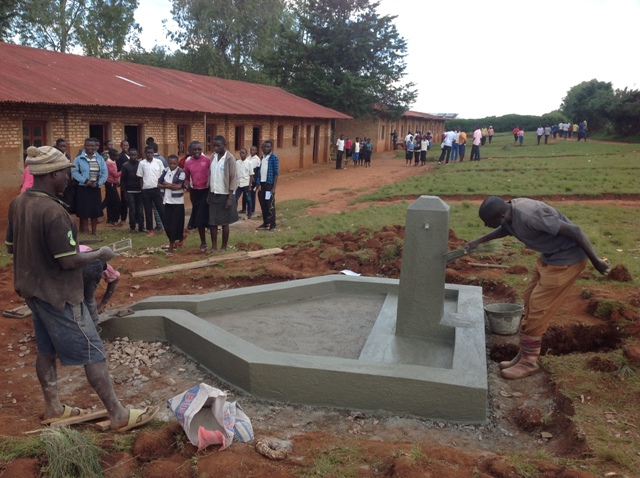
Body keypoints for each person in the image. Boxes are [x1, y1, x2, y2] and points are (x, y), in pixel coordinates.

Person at [6, 145, 158, 430]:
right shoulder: (53, 212)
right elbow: (68, 261)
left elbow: (11, 247)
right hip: (60, 295)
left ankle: (54, 408)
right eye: (65, 172)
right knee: (94, 351)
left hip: (32, 291)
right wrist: (100, 254)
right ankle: (118, 414)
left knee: (46, 351)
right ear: (52, 174)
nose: (69, 177)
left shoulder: (19, 203)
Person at [464, 196, 610, 380]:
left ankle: (529, 362)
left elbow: (575, 231)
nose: (486, 226)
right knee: (529, 300)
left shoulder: (530, 215)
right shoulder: (509, 214)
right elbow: (506, 229)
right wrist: (477, 242)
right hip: (549, 258)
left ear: (501, 215)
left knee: (539, 308)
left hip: (566, 261)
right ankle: (524, 354)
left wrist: (596, 261)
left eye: (488, 223)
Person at [208, 136, 238, 252]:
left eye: (218, 146)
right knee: (212, 222)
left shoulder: (230, 159)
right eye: (214, 145)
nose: (215, 148)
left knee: (225, 223)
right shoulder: (213, 157)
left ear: (224, 145)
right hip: (214, 194)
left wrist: (230, 197)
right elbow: (211, 176)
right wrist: (208, 193)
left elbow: (233, 178)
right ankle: (214, 246)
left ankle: (224, 247)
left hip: (225, 195)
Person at [72, 138, 108, 235]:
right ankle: (84, 230)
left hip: (95, 187)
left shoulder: (100, 158)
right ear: (85, 145)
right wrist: (85, 180)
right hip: (83, 187)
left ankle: (94, 230)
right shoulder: (79, 158)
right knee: (84, 209)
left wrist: (99, 183)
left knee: (95, 209)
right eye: (88, 145)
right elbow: (74, 171)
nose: (90, 148)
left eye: (92, 146)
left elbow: (105, 172)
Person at [79, 244, 120, 324]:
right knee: (89, 299)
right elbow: (115, 279)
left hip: (70, 265)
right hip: (93, 265)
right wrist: (103, 303)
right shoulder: (96, 258)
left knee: (72, 301)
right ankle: (94, 326)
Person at [183, 141, 212, 252]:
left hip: (206, 191)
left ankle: (210, 243)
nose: (197, 151)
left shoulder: (207, 160)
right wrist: (186, 184)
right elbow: (186, 177)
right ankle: (203, 243)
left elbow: (211, 175)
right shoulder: (188, 163)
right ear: (191, 150)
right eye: (194, 149)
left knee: (202, 217)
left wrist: (210, 192)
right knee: (199, 217)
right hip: (194, 192)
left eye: (199, 149)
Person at [158, 155, 186, 256]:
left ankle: (171, 246)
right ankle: (180, 237)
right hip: (166, 201)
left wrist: (166, 184)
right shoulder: (165, 171)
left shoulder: (181, 172)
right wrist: (170, 185)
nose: (172, 165)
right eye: (170, 163)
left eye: (174, 163)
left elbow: (178, 186)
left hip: (177, 202)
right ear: (167, 162)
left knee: (174, 225)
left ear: (177, 163)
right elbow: (158, 184)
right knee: (166, 224)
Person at [137, 145, 165, 236]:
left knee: (161, 208)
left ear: (154, 153)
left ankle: (166, 226)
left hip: (156, 189)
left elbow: (162, 175)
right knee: (148, 210)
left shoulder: (158, 162)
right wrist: (142, 189)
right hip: (146, 190)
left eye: (151, 153)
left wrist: (162, 188)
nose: (149, 154)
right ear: (145, 153)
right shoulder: (142, 163)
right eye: (147, 153)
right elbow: (140, 177)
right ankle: (150, 230)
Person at [256, 140, 279, 232]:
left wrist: (273, 187)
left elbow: (276, 174)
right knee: (263, 204)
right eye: (264, 147)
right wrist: (258, 184)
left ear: (271, 148)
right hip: (262, 185)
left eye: (268, 147)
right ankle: (265, 223)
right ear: (262, 148)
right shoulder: (262, 157)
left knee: (270, 205)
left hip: (269, 185)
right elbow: (260, 172)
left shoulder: (274, 158)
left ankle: (272, 224)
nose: (266, 148)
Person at [120, 148, 145, 233]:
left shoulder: (141, 164)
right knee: (132, 209)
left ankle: (141, 227)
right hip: (130, 191)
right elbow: (123, 180)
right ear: (129, 155)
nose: (133, 157)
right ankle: (132, 227)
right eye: (131, 155)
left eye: (134, 155)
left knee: (140, 209)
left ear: (137, 155)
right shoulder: (125, 165)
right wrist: (124, 192)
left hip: (140, 190)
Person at [103, 148, 122, 226]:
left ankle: (111, 220)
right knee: (116, 202)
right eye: (116, 156)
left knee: (110, 202)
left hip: (113, 183)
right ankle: (113, 219)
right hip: (110, 184)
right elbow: (115, 174)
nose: (118, 157)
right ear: (112, 156)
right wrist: (124, 170)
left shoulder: (113, 162)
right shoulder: (109, 163)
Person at [235, 148, 254, 219]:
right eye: (240, 153)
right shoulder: (237, 163)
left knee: (248, 199)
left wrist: (250, 186)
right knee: (235, 198)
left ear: (246, 154)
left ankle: (250, 213)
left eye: (243, 153)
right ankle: (234, 212)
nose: (241, 154)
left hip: (246, 184)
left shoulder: (249, 163)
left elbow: (251, 175)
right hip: (239, 184)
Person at [116, 141, 129, 224]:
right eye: (123, 145)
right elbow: (119, 168)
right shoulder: (120, 156)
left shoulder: (131, 154)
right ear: (121, 146)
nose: (125, 147)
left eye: (126, 145)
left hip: (132, 180)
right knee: (124, 200)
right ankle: (123, 218)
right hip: (124, 180)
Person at [248, 146, 261, 218]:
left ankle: (252, 209)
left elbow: (255, 171)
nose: (251, 151)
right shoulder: (249, 157)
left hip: (254, 179)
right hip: (248, 179)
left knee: (253, 195)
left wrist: (256, 181)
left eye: (253, 150)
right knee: (247, 194)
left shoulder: (257, 159)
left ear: (256, 151)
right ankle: (245, 208)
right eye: (251, 150)